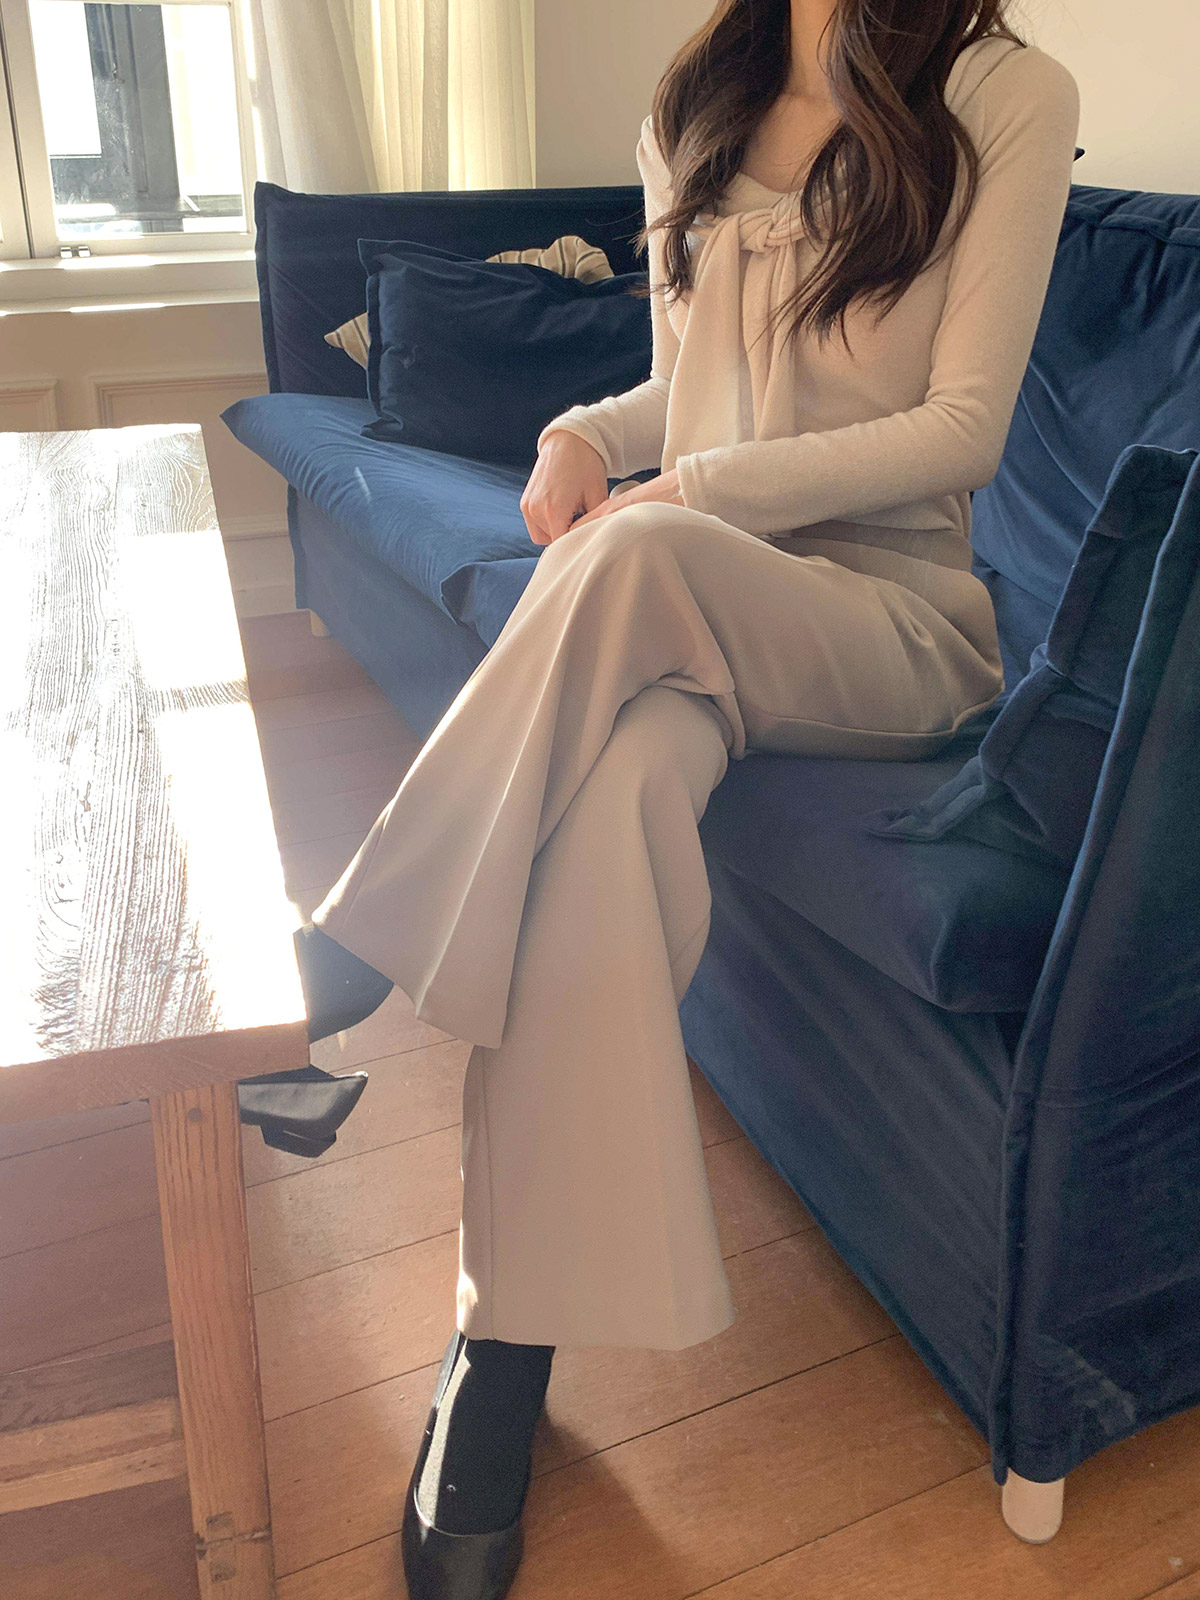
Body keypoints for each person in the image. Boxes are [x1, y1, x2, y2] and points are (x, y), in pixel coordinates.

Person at [295, 2, 1081, 1594]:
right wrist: (582, 431)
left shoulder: (1007, 93)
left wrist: (682, 497)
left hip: (888, 627)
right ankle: (502, 1341)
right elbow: (687, 391)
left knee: (643, 553)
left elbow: (965, 432)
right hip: (686, 616)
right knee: (602, 811)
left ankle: (362, 934)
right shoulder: (697, 100)